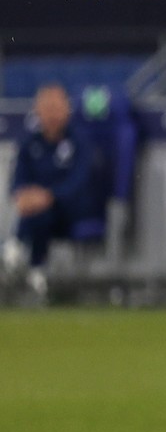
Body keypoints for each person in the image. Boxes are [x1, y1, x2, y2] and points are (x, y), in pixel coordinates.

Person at [5, 85, 101, 301]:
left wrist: (48, 196)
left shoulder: (79, 142)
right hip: (39, 215)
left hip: (73, 212)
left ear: (67, 109)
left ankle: (17, 247)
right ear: (37, 111)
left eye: (56, 108)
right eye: (47, 108)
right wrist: (23, 196)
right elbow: (18, 180)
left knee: (42, 210)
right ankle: (35, 270)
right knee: (40, 214)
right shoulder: (29, 142)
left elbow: (79, 183)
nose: (52, 114)